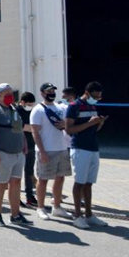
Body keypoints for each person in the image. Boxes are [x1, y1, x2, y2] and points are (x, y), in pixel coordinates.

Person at [0, 84, 32, 226]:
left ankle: (15, 215)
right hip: (1, 153)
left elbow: (19, 128)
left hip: (17, 153)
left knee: (15, 183)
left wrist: (24, 144)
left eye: (11, 93)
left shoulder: (13, 109)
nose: (10, 96)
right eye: (6, 93)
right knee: (1, 183)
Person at [65, 81, 109, 229]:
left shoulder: (92, 106)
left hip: (93, 148)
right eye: (95, 97)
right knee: (79, 182)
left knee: (89, 183)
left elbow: (92, 129)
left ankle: (89, 214)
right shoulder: (74, 106)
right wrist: (90, 123)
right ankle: (78, 216)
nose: (96, 100)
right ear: (87, 93)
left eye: (99, 98)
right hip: (80, 148)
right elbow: (69, 129)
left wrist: (99, 124)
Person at [30, 83, 74, 221]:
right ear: (42, 93)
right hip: (46, 150)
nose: (51, 93)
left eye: (53, 91)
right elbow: (35, 132)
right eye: (48, 91)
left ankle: (57, 206)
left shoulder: (61, 107)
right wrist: (42, 152)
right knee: (43, 179)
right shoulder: (38, 110)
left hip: (61, 148)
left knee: (60, 178)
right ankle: (41, 207)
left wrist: (65, 125)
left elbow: (70, 123)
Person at [16, 92, 38, 207]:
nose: (30, 105)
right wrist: (34, 129)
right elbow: (20, 126)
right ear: (22, 102)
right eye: (29, 103)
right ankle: (15, 197)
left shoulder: (32, 111)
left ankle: (30, 196)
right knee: (17, 174)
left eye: (32, 104)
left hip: (30, 144)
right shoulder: (16, 111)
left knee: (29, 172)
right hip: (19, 146)